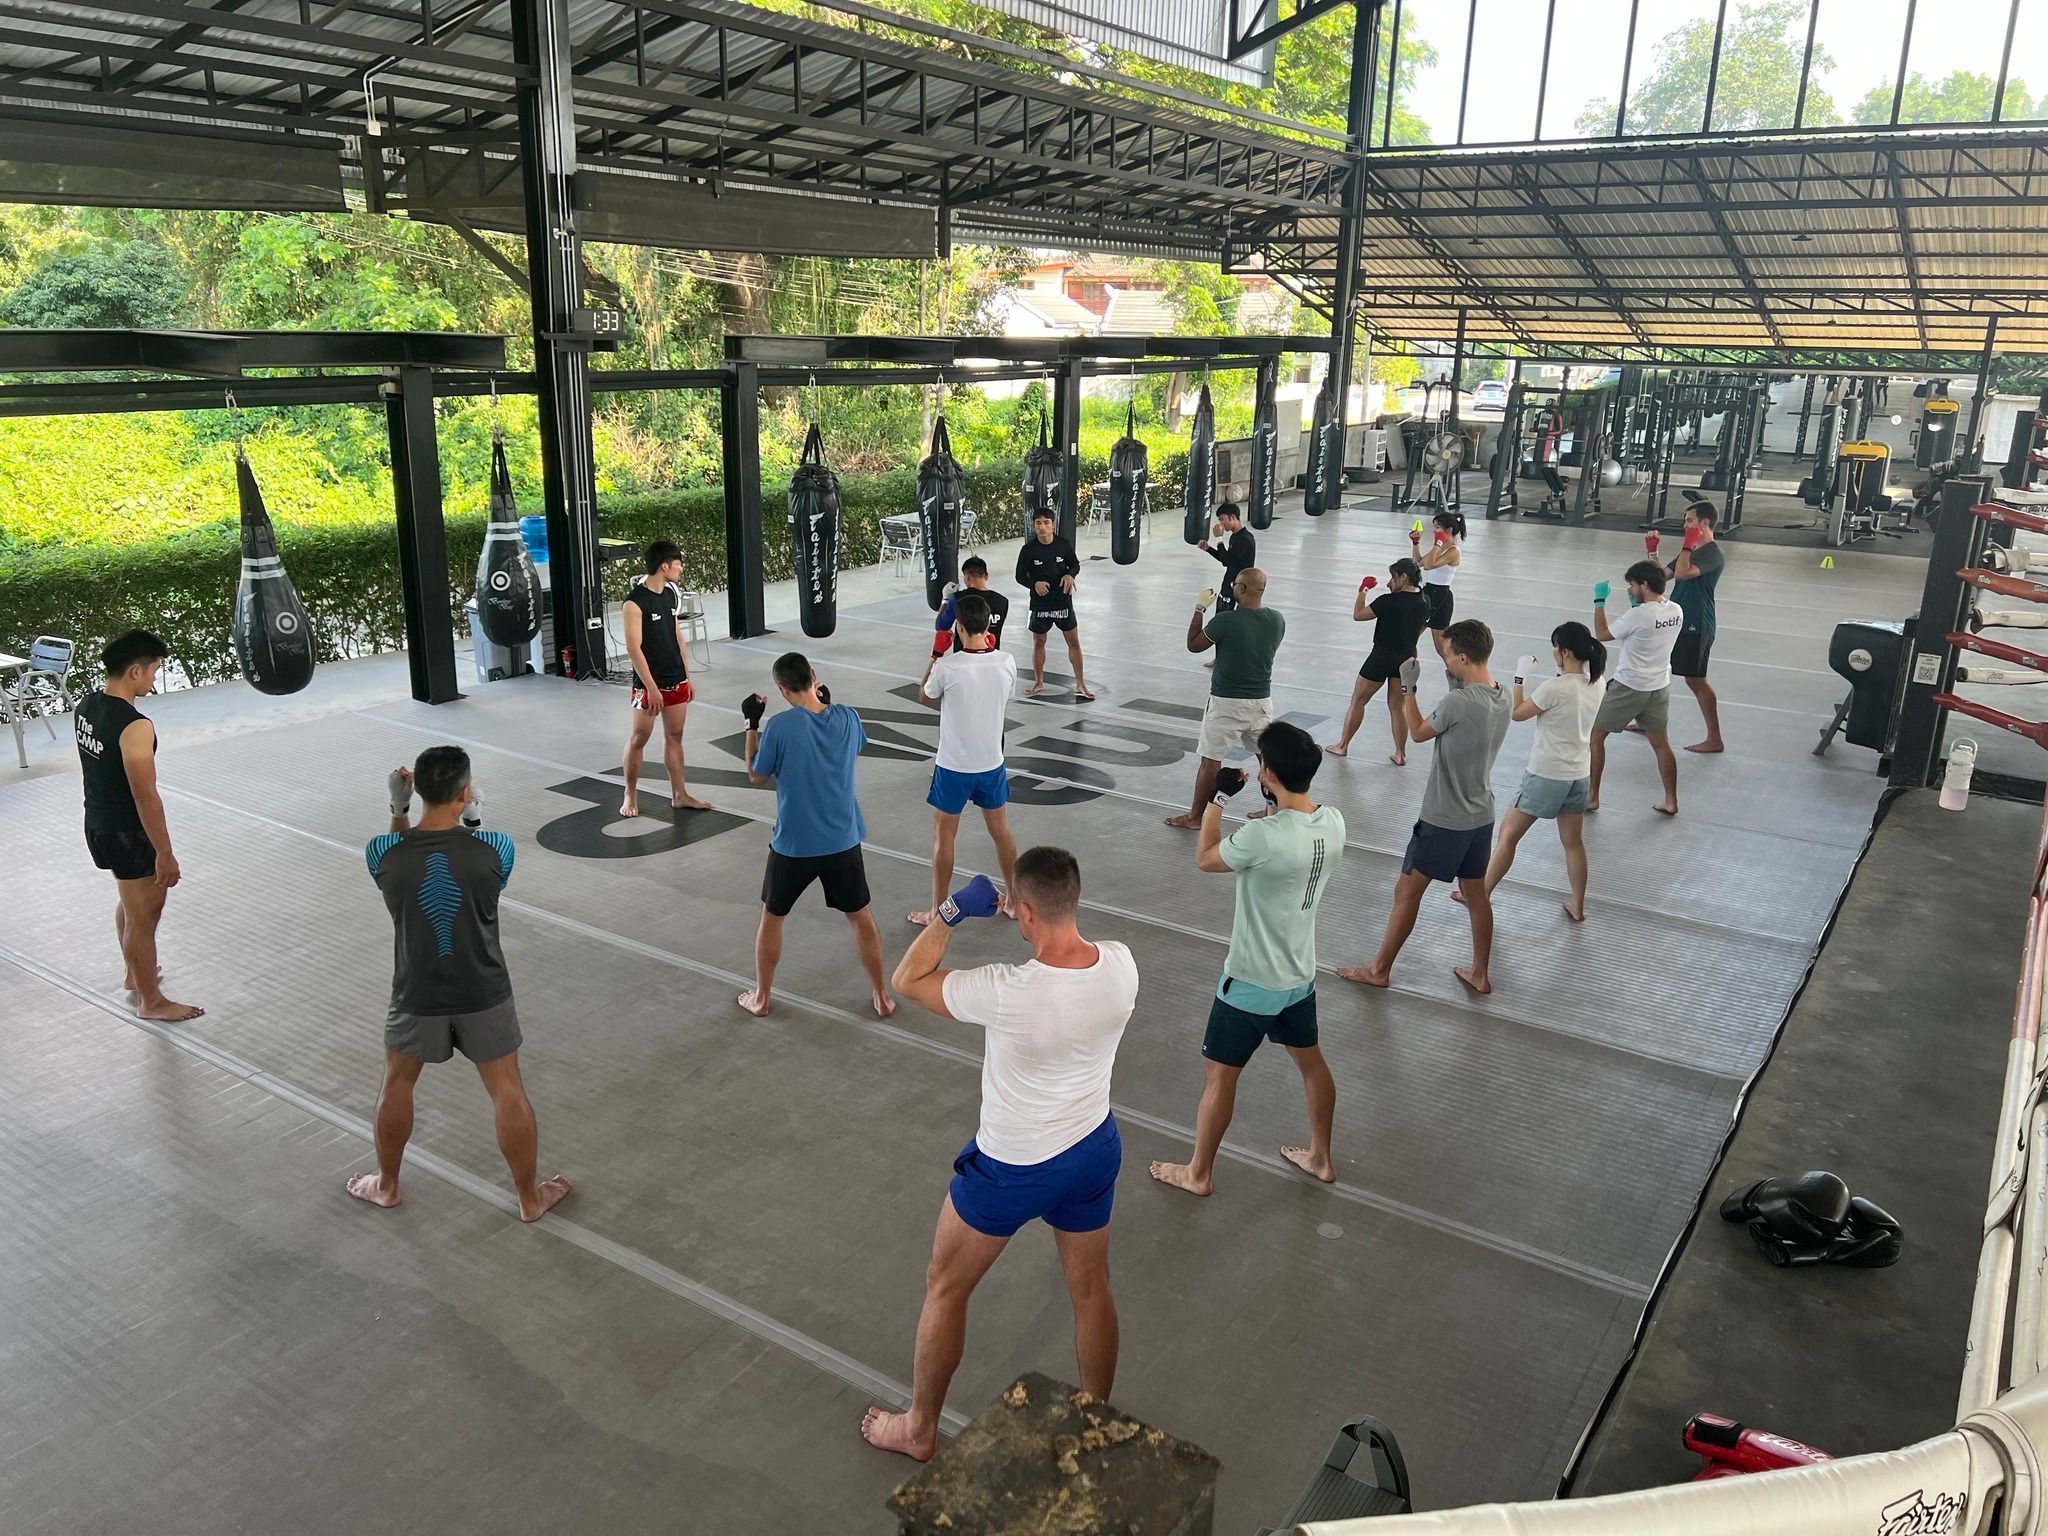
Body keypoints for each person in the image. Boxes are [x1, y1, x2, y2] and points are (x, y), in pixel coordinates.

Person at [862, 848, 1138, 1462]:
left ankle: (920, 1427)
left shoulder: (1009, 990)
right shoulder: (1122, 964)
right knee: (1091, 1289)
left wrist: (951, 913)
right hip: (1093, 1149)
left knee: (944, 1288)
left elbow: (907, 979)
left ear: (1026, 911)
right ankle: (1095, 1416)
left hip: (1011, 1169)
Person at [353, 746, 571, 1223]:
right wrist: (473, 821)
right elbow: (486, 876)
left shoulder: (380, 851)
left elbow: (393, 865)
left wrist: (398, 811)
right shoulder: (497, 848)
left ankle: (386, 1185)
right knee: (507, 1090)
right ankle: (529, 1199)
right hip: (484, 990)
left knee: (396, 1085)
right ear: (466, 792)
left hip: (416, 992)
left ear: (417, 791)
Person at [1150, 722, 1344, 1197]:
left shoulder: (1265, 834)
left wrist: (1217, 801)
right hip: (1299, 976)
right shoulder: (1333, 821)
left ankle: (1198, 1173)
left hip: (1252, 980)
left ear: (1268, 773)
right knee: (1313, 1066)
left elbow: (1206, 858)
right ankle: (1320, 1157)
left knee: (1219, 1077)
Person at [1337, 620, 1510, 995]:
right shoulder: (1502, 695)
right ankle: (1481, 973)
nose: (1445, 661)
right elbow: (1465, 718)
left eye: (1448, 656)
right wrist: (1452, 683)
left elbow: (1417, 732)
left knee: (1406, 894)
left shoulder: (1458, 702)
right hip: (1481, 814)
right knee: (1476, 896)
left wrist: (1408, 688)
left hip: (1444, 818)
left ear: (1463, 657)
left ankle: (1379, 969)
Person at [737, 653, 893, 1020]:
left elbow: (756, 775)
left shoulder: (779, 727)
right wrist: (827, 705)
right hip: (842, 839)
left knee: (772, 919)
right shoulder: (848, 717)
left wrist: (751, 724)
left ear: (781, 689)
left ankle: (761, 998)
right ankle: (882, 995)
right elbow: (853, 747)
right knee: (861, 918)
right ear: (814, 676)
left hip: (794, 844)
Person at [74, 629, 203, 1022]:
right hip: (127, 831)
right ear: (134, 671)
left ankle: (135, 974)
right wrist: (164, 852)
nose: (153, 679)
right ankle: (152, 1001)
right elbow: (145, 796)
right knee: (146, 914)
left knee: (131, 903)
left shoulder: (86, 706)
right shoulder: (135, 726)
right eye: (153, 671)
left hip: (98, 822)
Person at [1456, 624, 1607, 924]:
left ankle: (1480, 892)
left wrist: (1520, 676)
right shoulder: (1597, 682)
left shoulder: (1555, 688)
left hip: (1546, 774)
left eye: (1555, 648)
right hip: (1578, 774)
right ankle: (1577, 903)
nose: (1554, 653)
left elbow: (1518, 712)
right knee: (1573, 842)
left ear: (1564, 652)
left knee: (1508, 835)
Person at [911, 591, 1022, 926]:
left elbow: (924, 696)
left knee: (944, 837)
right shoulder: (1007, 662)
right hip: (991, 762)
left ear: (958, 627)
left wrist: (934, 654)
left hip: (954, 766)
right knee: (1001, 831)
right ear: (989, 625)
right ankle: (1015, 902)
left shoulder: (947, 667)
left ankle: (936, 911)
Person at [1165, 567, 1285, 830]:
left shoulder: (1225, 621)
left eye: (1236, 585)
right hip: (1262, 701)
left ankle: (1196, 817)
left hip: (1227, 702)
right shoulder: (1277, 620)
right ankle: (1274, 811)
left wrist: (1199, 609)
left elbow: (1194, 645)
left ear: (1241, 588)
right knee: (1267, 758)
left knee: (1210, 760)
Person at [620, 539, 710, 817]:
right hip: (649, 686)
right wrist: (652, 688)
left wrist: (687, 676)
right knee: (639, 738)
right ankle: (629, 795)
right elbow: (633, 649)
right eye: (678, 565)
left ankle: (679, 794)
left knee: (675, 736)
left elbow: (676, 635)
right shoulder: (634, 603)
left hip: (675, 679)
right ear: (664, 565)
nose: (680, 569)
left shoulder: (671, 593)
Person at [1589, 561, 1684, 816]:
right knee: (1662, 744)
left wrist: (1599, 603)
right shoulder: (1676, 609)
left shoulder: (1639, 615)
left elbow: (1601, 634)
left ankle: (1592, 797)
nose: (1630, 589)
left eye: (1631, 585)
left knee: (1595, 737)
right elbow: (1647, 629)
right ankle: (1671, 800)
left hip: (1630, 686)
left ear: (1644, 584)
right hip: (1659, 686)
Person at [1327, 557, 1429, 762]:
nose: (1388, 583)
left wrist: (1363, 591)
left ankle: (1343, 745)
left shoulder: (1387, 601)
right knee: (1397, 707)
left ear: (1403, 577)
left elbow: (1358, 615)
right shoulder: (1424, 601)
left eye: (1392, 578)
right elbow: (1421, 628)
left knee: (1358, 700)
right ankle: (1400, 754)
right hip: (1407, 657)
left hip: (1381, 656)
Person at [1016, 510, 1093, 700]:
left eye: (1046, 522)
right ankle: (1039, 681)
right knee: (1039, 642)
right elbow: (1019, 576)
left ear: (1053, 524)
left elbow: (1075, 565)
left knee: (1073, 642)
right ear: (1033, 525)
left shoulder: (1063, 545)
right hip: (1040, 605)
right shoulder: (1028, 550)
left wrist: (1070, 575)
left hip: (1063, 603)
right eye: (1038, 523)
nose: (1042, 526)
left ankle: (1081, 683)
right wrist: (1034, 584)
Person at [1669, 500, 1726, 754]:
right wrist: (1651, 551)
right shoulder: (1689, 550)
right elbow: (1662, 575)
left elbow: (1682, 573)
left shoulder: (1713, 553)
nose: (1685, 525)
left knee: (1696, 680)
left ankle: (1715, 738)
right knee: (1656, 671)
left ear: (1704, 523)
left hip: (1697, 624)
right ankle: (1646, 721)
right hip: (1674, 621)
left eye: (1690, 520)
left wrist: (1686, 546)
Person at [931, 557, 1012, 659]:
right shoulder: (1002, 601)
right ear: (986, 576)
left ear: (967, 577)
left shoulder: (958, 598)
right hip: (991, 659)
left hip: (963, 658)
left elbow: (941, 626)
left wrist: (946, 599)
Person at [1410, 509, 1464, 660]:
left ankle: (1457, 676)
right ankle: (1410, 671)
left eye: (1438, 528)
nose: (1434, 531)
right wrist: (1416, 543)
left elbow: (1429, 565)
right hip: (1428, 592)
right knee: (1410, 636)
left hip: (1441, 595)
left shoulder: (1453, 551)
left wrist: (1437, 544)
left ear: (1449, 530)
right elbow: (1419, 563)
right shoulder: (1440, 548)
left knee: (1441, 648)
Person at [1203, 503, 1257, 614]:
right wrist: (1208, 549)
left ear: (1232, 517)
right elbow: (1227, 559)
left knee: (1225, 622)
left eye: (1222, 519)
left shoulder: (1244, 539)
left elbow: (1226, 561)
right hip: (1229, 586)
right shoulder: (1236, 536)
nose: (1221, 524)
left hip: (1236, 589)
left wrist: (1219, 538)